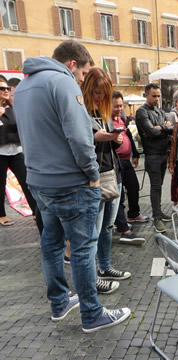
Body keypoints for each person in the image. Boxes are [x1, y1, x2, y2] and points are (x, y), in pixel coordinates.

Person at [14, 40, 130, 333]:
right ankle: (92, 314)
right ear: (73, 64)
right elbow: (79, 138)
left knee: (51, 245)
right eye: (83, 73)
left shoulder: (24, 86)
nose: (82, 79)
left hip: (40, 181)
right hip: (71, 183)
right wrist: (92, 174)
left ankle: (60, 303)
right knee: (82, 249)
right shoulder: (63, 83)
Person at [81, 68, 132, 293]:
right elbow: (88, 140)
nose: (101, 97)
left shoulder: (103, 113)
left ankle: (104, 267)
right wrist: (108, 136)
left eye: (105, 93)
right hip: (95, 178)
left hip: (113, 174)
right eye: (97, 92)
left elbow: (109, 142)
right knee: (93, 231)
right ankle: (94, 277)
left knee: (107, 227)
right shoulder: (81, 111)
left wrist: (116, 137)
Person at [111, 91, 146, 245]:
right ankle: (122, 226)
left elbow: (129, 137)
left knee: (133, 187)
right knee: (118, 196)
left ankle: (132, 215)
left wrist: (135, 153)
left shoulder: (122, 119)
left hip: (126, 161)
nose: (119, 108)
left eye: (121, 105)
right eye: (116, 106)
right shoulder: (106, 121)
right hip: (114, 163)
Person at [136, 83, 172, 233]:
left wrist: (162, 128)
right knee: (155, 187)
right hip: (152, 155)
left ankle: (158, 213)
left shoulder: (160, 111)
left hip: (163, 153)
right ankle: (156, 217)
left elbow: (172, 128)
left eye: (158, 96)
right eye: (154, 96)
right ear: (146, 95)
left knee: (159, 186)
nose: (157, 98)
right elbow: (152, 132)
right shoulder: (141, 112)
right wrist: (164, 128)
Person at [0, 79, 37, 226]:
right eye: (2, 88)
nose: (6, 90)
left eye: (7, 88)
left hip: (16, 151)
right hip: (0, 153)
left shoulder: (13, 108)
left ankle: (36, 211)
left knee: (27, 181)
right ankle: (1, 215)